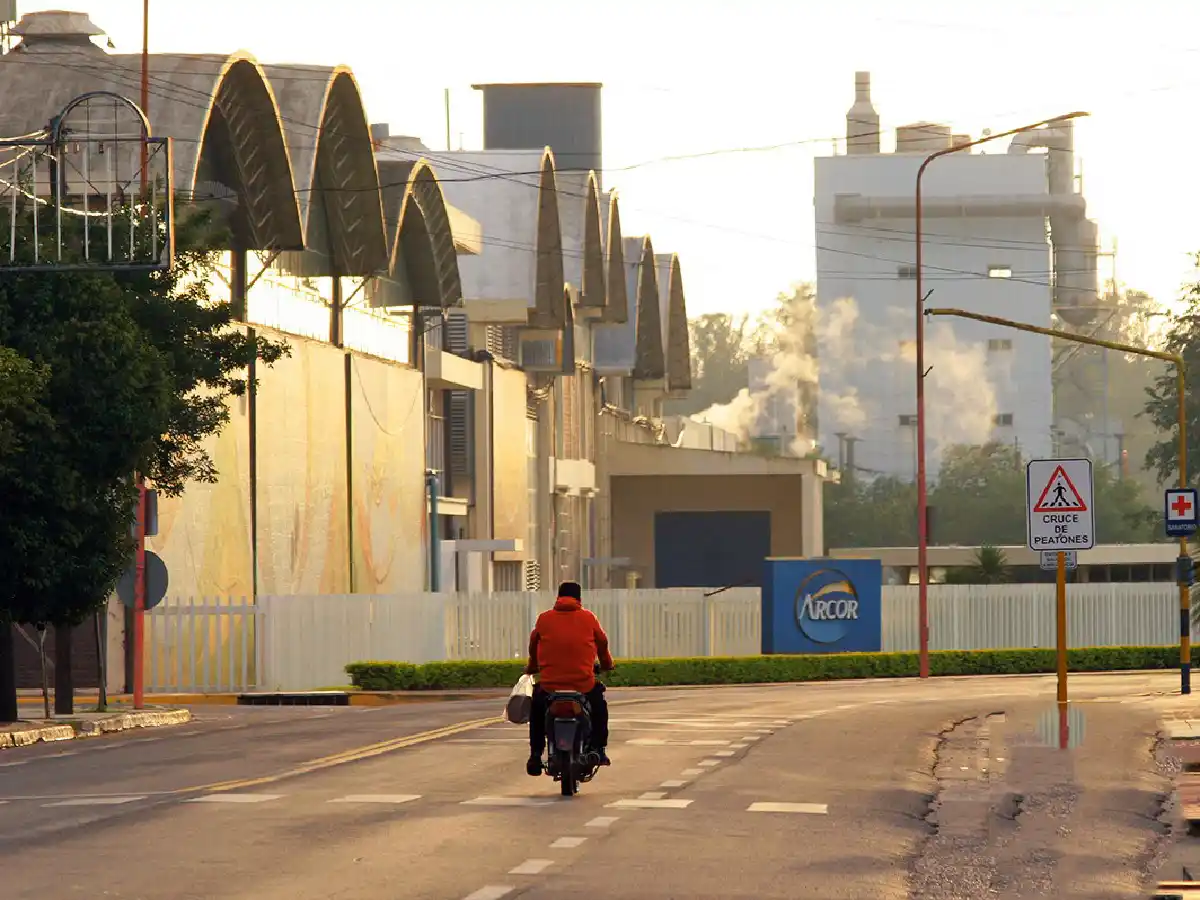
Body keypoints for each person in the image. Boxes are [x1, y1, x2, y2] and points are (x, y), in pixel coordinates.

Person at [524, 581, 614, 776]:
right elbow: (602, 642)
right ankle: (598, 749)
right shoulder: (588, 618)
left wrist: (532, 667)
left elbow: (533, 646)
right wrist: (606, 664)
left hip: (550, 685)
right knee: (599, 705)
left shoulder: (544, 619)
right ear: (579, 599)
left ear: (558, 597)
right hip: (583, 684)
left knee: (537, 709)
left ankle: (535, 755)